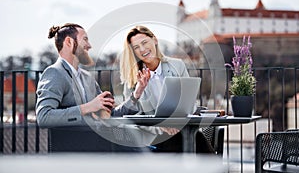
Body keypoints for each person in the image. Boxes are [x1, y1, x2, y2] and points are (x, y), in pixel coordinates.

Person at [35, 23, 150, 152]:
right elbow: (44, 117)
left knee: (144, 148)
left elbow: (110, 115)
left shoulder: (87, 77)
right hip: (75, 152)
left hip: (99, 146)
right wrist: (88, 107)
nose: (89, 46)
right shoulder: (55, 73)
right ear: (69, 42)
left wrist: (137, 94)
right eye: (85, 39)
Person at [119, 25, 214, 152]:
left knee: (195, 139)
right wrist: (161, 127)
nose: (142, 49)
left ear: (155, 40)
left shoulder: (177, 65)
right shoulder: (132, 79)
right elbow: (131, 116)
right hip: (152, 137)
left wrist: (178, 125)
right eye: (136, 47)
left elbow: (190, 103)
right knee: (186, 142)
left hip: (181, 129)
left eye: (144, 42)